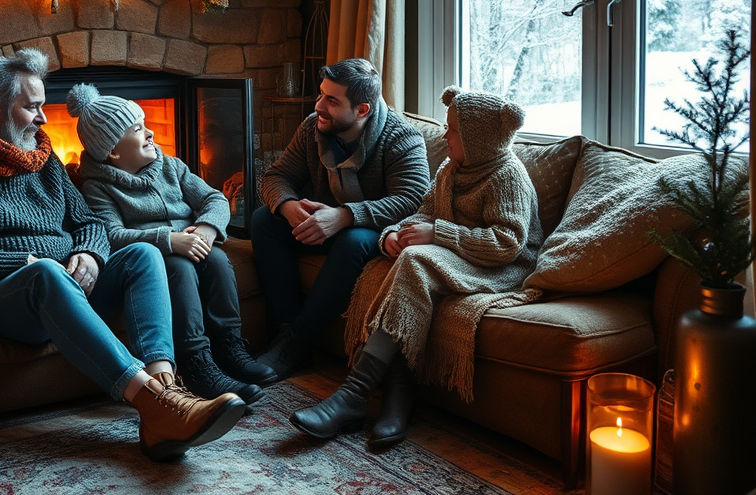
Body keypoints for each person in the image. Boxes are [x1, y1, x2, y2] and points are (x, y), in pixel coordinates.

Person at [0, 49, 245, 462]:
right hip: (3, 297)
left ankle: (165, 392)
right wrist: (23, 263)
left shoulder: (42, 160)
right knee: (45, 272)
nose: (44, 118)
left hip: (68, 280)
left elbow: (90, 224)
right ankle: (150, 402)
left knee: (140, 255)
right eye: (33, 107)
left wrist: (91, 255)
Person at [291, 85, 543, 447]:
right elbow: (421, 213)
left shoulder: (507, 176)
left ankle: (353, 394)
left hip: (501, 265)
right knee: (386, 264)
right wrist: (393, 234)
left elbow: (506, 244)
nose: (445, 135)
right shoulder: (450, 168)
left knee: (415, 261)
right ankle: (397, 396)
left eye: (452, 130)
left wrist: (437, 233)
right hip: (461, 253)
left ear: (478, 138)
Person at [67, 84, 277, 405]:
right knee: (178, 267)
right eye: (137, 129)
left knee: (218, 260)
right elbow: (112, 234)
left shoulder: (171, 166)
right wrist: (169, 240)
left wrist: (206, 229)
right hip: (158, 256)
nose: (150, 132)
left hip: (194, 242)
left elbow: (213, 198)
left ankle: (229, 346)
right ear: (113, 151)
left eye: (147, 123)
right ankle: (195, 361)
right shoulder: (98, 187)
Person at [251, 58, 431, 381]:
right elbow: (275, 177)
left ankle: (297, 343)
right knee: (264, 219)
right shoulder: (312, 128)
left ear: (362, 110)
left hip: (375, 235)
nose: (319, 105)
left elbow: (412, 201)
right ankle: (283, 334)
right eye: (321, 95)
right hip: (324, 223)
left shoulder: (403, 139)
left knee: (352, 240)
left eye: (332, 101)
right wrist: (289, 206)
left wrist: (346, 216)